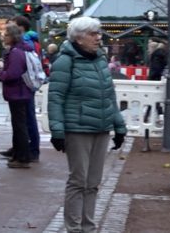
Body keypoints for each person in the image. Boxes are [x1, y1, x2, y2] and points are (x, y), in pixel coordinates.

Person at [48, 16, 127, 233]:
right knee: (78, 181)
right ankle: (74, 228)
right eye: (93, 34)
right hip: (77, 129)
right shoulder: (65, 61)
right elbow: (56, 97)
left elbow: (110, 95)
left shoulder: (100, 59)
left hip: (101, 129)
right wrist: (58, 130)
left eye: (98, 33)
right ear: (79, 38)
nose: (98, 38)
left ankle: (88, 227)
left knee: (93, 182)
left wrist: (119, 126)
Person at [0, 16, 41, 163]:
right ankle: (20, 152)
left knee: (21, 124)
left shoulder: (16, 52)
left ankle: (23, 155)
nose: (4, 37)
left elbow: (12, 74)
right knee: (21, 123)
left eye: (6, 35)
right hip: (21, 92)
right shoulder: (20, 49)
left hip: (18, 92)